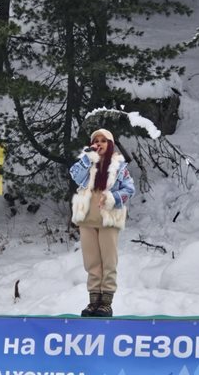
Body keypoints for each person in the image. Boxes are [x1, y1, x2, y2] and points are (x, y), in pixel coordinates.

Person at [69, 128, 135, 317]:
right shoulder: (87, 163)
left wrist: (113, 198)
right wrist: (86, 159)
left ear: (110, 144)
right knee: (92, 262)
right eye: (95, 140)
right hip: (87, 218)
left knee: (108, 261)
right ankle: (93, 301)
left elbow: (129, 189)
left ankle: (106, 301)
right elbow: (74, 175)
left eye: (103, 141)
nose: (98, 144)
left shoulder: (119, 166)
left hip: (108, 218)